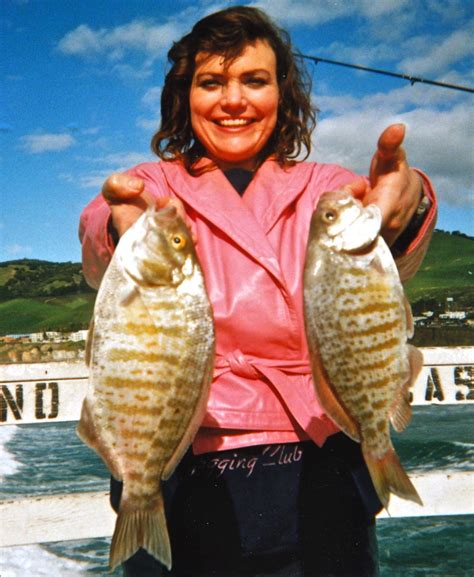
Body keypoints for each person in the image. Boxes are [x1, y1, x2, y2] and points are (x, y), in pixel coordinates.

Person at [79, 6, 437, 577]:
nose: (233, 100)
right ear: (183, 95)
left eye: (254, 80)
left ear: (282, 92)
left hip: (320, 455)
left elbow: (388, 235)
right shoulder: (152, 186)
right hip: (178, 458)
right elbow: (103, 231)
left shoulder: (327, 188)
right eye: (211, 82)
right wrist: (120, 227)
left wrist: (411, 195)